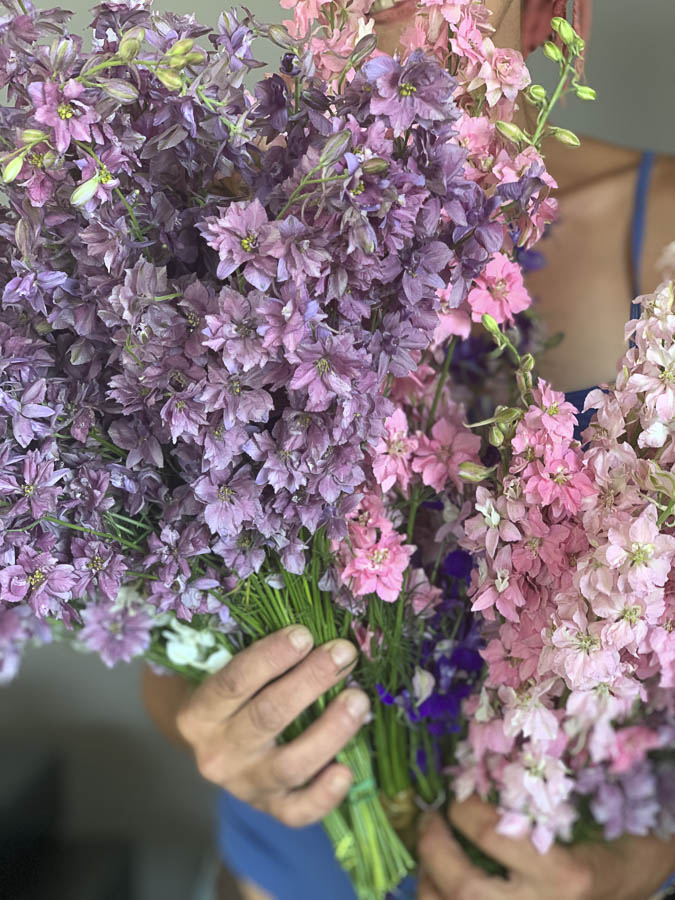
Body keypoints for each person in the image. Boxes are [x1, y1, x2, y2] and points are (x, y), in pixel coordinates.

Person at [141, 2, 675, 898]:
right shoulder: (225, 232)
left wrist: (646, 863)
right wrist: (214, 733)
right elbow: (165, 632)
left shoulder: (663, 234)